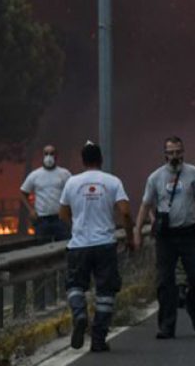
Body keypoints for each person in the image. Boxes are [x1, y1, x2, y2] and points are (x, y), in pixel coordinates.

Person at [134, 136, 195, 339]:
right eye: (171, 152)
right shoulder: (155, 178)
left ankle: (194, 309)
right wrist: (137, 232)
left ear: (183, 152)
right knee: (165, 282)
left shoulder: (193, 173)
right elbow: (145, 205)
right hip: (166, 237)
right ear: (165, 154)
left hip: (189, 234)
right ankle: (167, 326)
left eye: (178, 152)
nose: (175, 156)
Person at [59, 141, 133, 353]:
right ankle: (99, 339)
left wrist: (76, 226)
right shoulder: (112, 182)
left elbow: (62, 213)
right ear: (101, 159)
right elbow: (125, 213)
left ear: (83, 160)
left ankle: (80, 314)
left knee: (74, 286)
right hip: (105, 245)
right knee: (105, 292)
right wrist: (130, 238)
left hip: (79, 246)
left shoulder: (72, 183)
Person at [20, 144, 72, 242]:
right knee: (41, 248)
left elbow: (72, 192)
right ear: (42, 156)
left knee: (65, 246)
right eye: (46, 153)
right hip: (41, 219)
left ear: (56, 156)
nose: (49, 157)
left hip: (60, 219)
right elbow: (23, 193)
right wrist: (31, 210)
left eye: (52, 153)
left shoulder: (65, 174)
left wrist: (69, 211)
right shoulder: (35, 175)